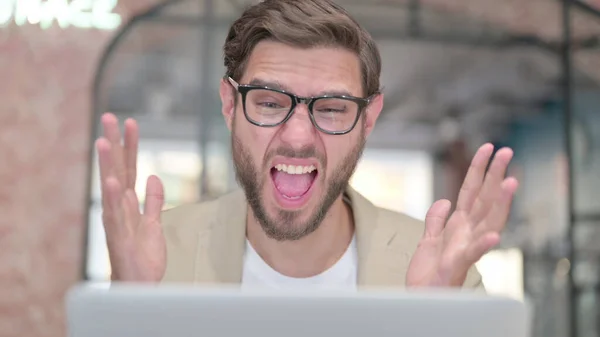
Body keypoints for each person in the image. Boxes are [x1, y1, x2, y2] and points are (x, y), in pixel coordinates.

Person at [96, 0, 518, 290]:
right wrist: (129, 307)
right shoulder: (160, 254)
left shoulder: (445, 271)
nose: (298, 138)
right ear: (230, 105)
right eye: (268, 102)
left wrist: (433, 324)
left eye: (332, 108)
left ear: (367, 119)